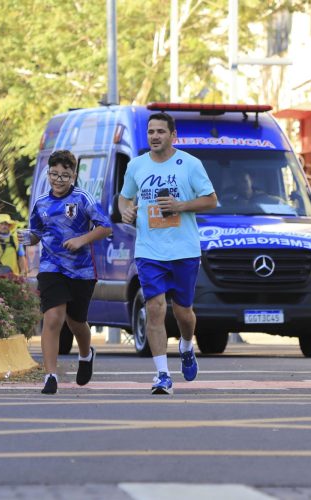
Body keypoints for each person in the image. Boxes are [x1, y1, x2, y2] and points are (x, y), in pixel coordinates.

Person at [118, 112, 218, 395]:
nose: (155, 136)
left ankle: (186, 345)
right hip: (149, 250)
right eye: (151, 132)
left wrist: (181, 206)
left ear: (173, 135)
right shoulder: (137, 165)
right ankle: (162, 374)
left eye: (161, 131)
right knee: (154, 307)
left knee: (184, 312)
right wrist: (125, 207)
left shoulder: (190, 164)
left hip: (184, 250)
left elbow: (211, 200)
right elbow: (124, 196)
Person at [28, 149, 112, 394]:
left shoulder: (82, 198)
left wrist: (82, 240)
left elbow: (105, 227)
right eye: (54, 174)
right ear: (48, 173)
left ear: (73, 176)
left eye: (64, 176)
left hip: (81, 270)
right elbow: (36, 233)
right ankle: (50, 375)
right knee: (53, 317)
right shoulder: (41, 202)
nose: (58, 180)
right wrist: (29, 238)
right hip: (51, 267)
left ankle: (86, 354)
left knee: (77, 322)